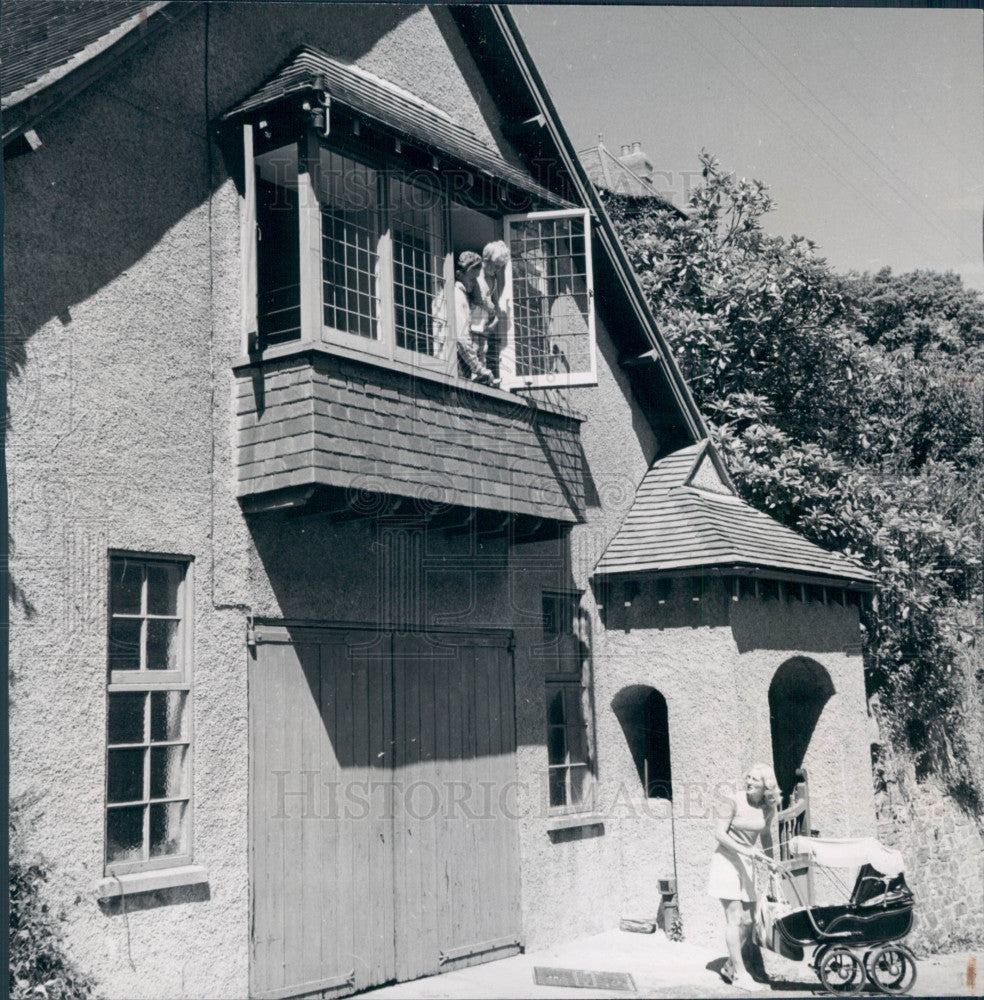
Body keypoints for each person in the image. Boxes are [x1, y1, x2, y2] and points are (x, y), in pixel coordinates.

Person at [708, 764, 780, 992]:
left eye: (755, 780)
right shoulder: (731, 801)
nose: (749, 782)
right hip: (726, 861)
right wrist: (746, 849)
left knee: (749, 920)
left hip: (747, 863)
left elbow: (766, 834)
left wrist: (771, 862)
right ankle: (740, 974)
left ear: (766, 786)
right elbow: (719, 834)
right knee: (734, 918)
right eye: (748, 778)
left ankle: (730, 965)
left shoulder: (769, 807)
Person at [432, 251, 498, 386]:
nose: (475, 283)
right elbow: (462, 338)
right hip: (453, 366)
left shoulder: (453, 294)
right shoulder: (457, 296)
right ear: (459, 275)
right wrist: (479, 369)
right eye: (472, 278)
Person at [472, 240, 510, 377]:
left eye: (500, 267)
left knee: (484, 348)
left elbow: (496, 303)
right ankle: (474, 374)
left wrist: (497, 319)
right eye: (495, 266)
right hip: (474, 320)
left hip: (486, 322)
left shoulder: (493, 280)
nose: (497, 270)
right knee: (474, 347)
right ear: (485, 260)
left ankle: (481, 376)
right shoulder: (476, 276)